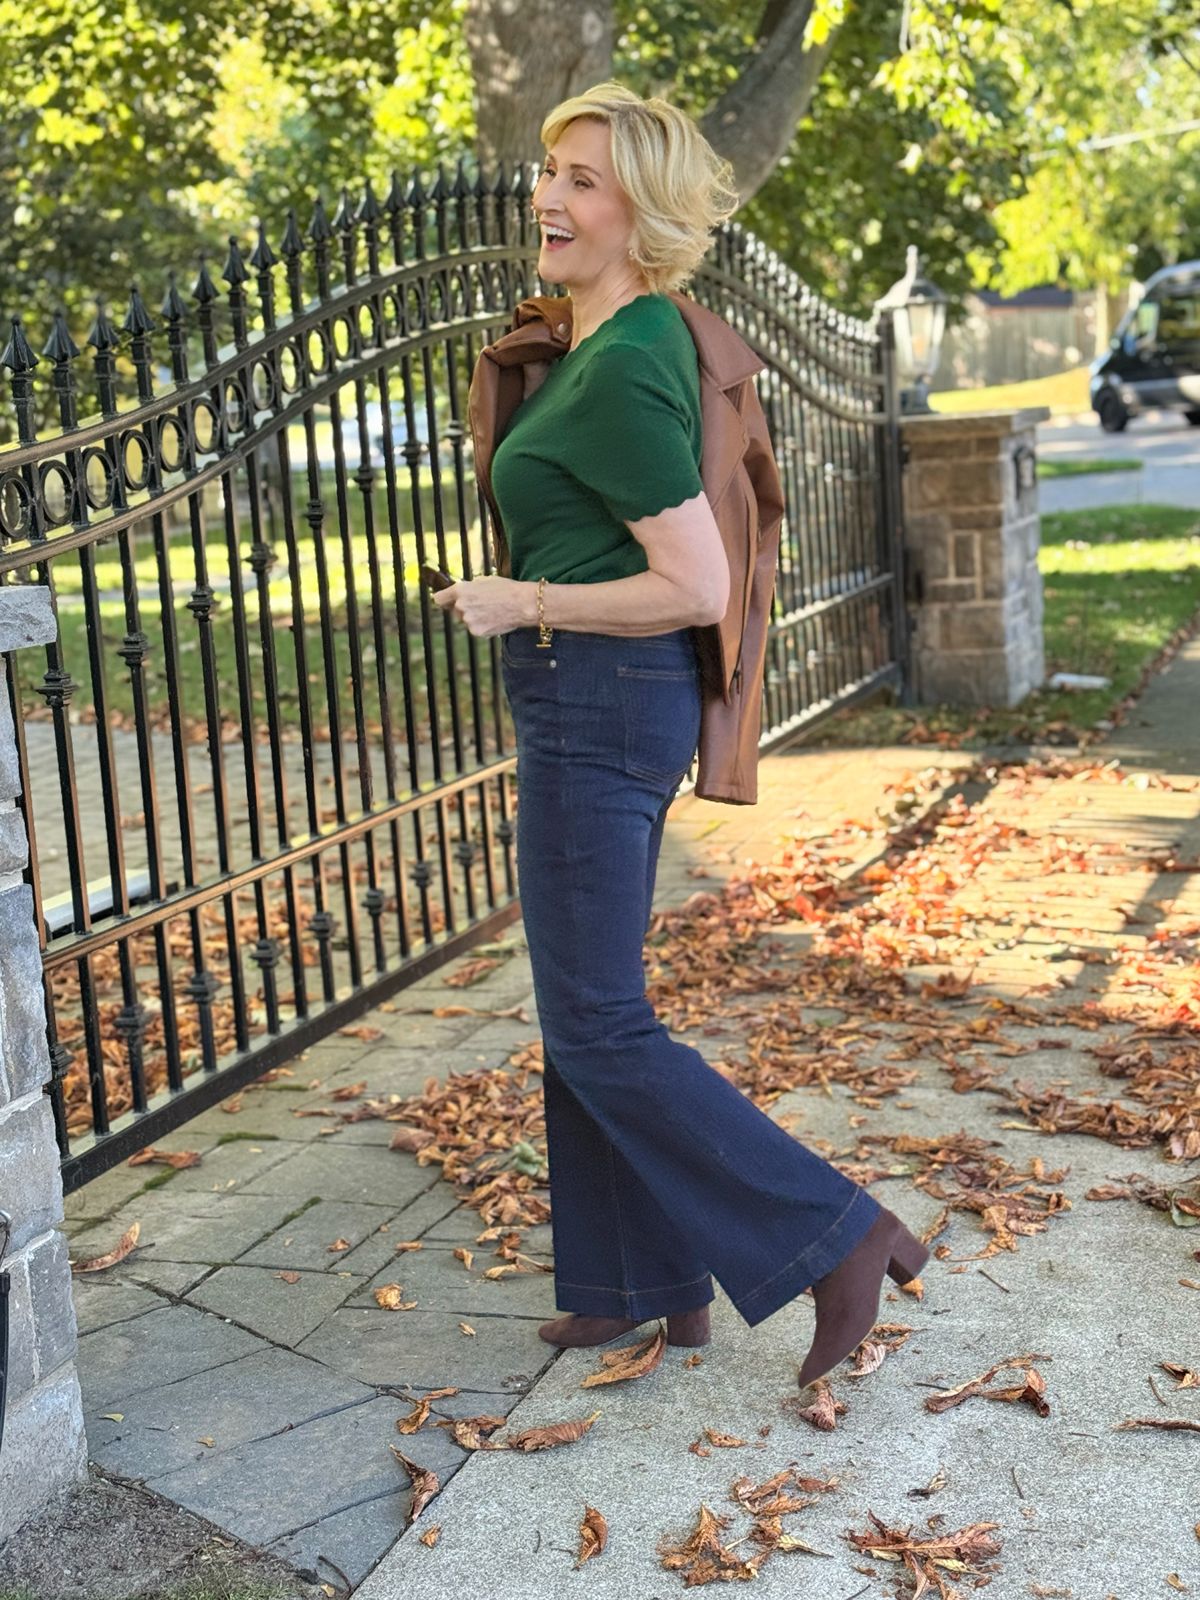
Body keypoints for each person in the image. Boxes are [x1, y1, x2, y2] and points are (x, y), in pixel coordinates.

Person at [433, 81, 927, 1388]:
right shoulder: (606, 347)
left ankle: (841, 1235)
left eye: (587, 180)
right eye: (553, 171)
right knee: (584, 1006)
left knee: (598, 1021)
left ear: (641, 215)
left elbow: (697, 585)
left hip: (599, 699)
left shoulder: (628, 359)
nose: (553, 194)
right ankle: (633, 1286)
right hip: (589, 702)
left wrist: (524, 598)